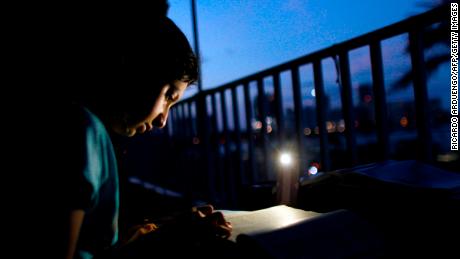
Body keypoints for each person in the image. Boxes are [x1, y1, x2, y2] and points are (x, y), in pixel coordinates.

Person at [22, 1, 232, 258]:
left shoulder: (85, 128)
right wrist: (164, 242)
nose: (162, 120)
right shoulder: (81, 131)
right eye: (168, 96)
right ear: (135, 70)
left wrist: (151, 236)